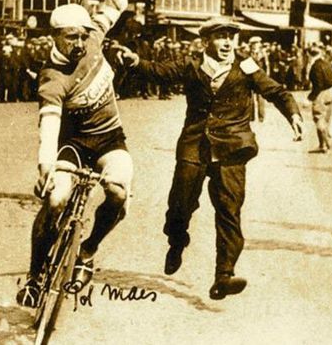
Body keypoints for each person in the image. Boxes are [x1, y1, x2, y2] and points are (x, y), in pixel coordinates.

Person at [122, 16, 303, 299]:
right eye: (220, 37)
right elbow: (160, 71)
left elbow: (275, 91)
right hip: (195, 145)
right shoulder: (192, 65)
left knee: (230, 212)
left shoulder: (246, 66)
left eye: (231, 36)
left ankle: (224, 275)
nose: (227, 42)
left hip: (232, 148)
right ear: (205, 41)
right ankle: (177, 240)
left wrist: (293, 114)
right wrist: (135, 62)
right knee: (180, 203)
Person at [16, 0, 133, 308]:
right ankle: (36, 277)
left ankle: (88, 249)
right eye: (72, 37)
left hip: (110, 138)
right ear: (54, 37)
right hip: (73, 145)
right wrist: (45, 169)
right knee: (55, 201)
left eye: (83, 35)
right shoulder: (52, 78)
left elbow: (120, 2)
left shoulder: (94, 35)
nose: (80, 43)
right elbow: (49, 128)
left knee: (117, 192)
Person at [307, 44, 332, 153]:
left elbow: (318, 85)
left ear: (309, 55)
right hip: (331, 92)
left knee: (318, 118)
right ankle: (323, 144)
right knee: (326, 119)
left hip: (321, 94)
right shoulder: (327, 63)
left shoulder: (316, 66)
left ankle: (326, 144)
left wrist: (310, 97)